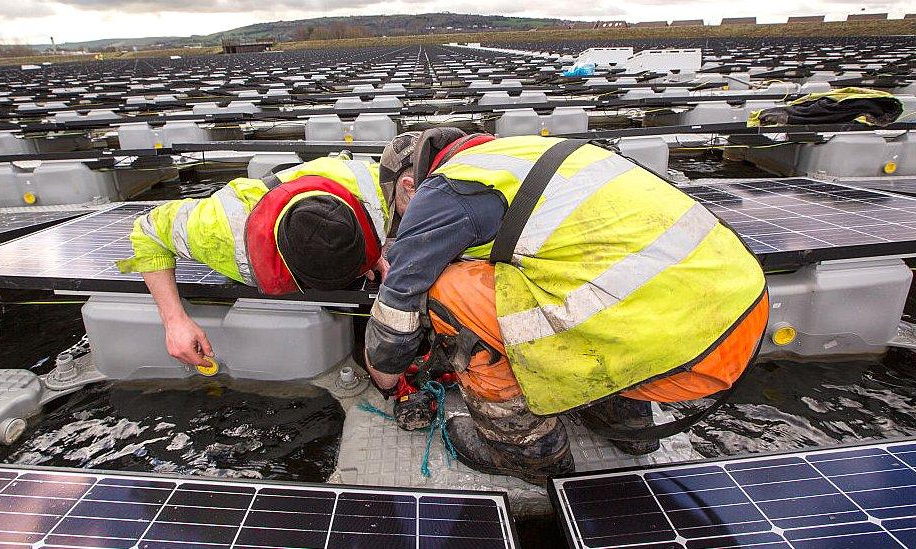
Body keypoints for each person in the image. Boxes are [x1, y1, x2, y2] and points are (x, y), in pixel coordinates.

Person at [364, 129, 769, 485]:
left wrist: (386, 375)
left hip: (678, 354)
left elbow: (397, 307)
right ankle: (623, 417)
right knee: (577, 279)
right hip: (735, 323)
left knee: (448, 290)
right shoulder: (525, 156)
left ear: (409, 187)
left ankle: (524, 450)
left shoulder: (445, 188)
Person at [116, 154, 389, 368]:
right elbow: (147, 230)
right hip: (241, 214)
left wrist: (371, 256)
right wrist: (174, 320)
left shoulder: (373, 188)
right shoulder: (219, 231)